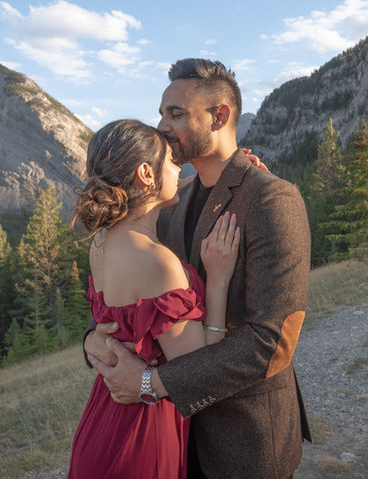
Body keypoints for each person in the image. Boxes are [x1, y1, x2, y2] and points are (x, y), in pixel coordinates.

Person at [84, 59, 312, 479]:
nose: (162, 126)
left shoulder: (272, 200)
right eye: (161, 112)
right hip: (172, 442)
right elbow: (140, 299)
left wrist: (152, 384)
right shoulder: (170, 203)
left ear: (219, 116)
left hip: (244, 440)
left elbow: (272, 342)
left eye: (176, 114)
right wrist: (93, 342)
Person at [68, 119, 241, 478]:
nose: (181, 167)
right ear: (147, 173)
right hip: (140, 432)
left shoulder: (101, 244)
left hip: (103, 418)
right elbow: (199, 367)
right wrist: (219, 280)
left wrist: (235, 173)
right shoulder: (156, 262)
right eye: (171, 161)